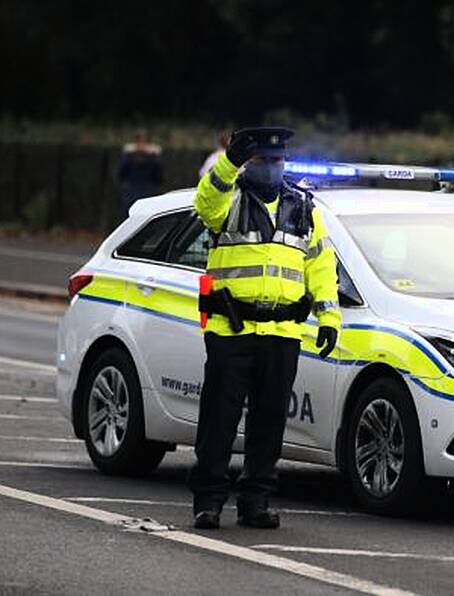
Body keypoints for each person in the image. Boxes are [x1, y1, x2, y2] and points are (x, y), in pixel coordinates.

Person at [188, 126, 341, 530]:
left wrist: (329, 316)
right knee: (219, 420)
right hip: (230, 330)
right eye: (262, 160)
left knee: (269, 422)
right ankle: (208, 501)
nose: (272, 167)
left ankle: (255, 501)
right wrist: (229, 161)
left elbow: (321, 265)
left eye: (277, 161)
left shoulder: (304, 207)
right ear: (249, 163)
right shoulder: (230, 199)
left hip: (283, 332)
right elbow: (205, 202)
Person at [116, 129, 163, 215]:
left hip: (147, 187)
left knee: (146, 211)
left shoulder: (152, 157)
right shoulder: (129, 156)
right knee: (130, 210)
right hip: (132, 188)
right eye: (139, 140)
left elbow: (158, 174)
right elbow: (122, 173)